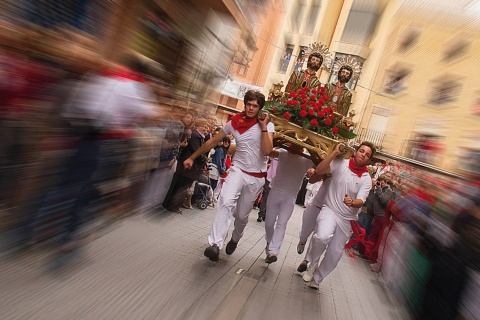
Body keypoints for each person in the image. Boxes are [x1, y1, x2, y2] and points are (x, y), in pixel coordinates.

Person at [184, 90, 274, 261]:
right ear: (245, 104)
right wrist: (192, 157)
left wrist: (263, 127)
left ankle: (235, 238)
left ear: (260, 108)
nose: (251, 108)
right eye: (248, 104)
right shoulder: (234, 122)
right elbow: (212, 141)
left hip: (256, 176)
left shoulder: (267, 125)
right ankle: (215, 244)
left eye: (255, 106)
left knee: (241, 215)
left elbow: (267, 151)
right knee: (225, 201)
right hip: (237, 170)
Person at [303, 142, 375, 289]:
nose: (363, 155)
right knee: (322, 236)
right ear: (355, 152)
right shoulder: (340, 163)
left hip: (347, 220)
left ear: (369, 160)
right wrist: (334, 153)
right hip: (329, 209)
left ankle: (317, 278)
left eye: (367, 155)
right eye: (361, 151)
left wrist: (353, 202)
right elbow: (320, 170)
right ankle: (313, 263)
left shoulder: (366, 178)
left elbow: (361, 200)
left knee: (334, 253)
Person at [264, 144, 314, 263]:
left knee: (282, 223)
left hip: (290, 197)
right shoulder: (283, 152)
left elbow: (319, 164)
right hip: (275, 191)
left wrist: (313, 149)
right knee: (269, 223)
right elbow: (268, 151)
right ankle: (269, 244)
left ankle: (273, 251)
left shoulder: (306, 160)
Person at [163, 118, 208, 213]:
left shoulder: (199, 136)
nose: (205, 128)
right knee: (179, 186)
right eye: (204, 126)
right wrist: (204, 159)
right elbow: (196, 150)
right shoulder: (195, 135)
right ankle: (171, 206)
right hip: (188, 167)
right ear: (198, 125)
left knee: (181, 186)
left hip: (191, 168)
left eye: (206, 127)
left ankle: (172, 206)